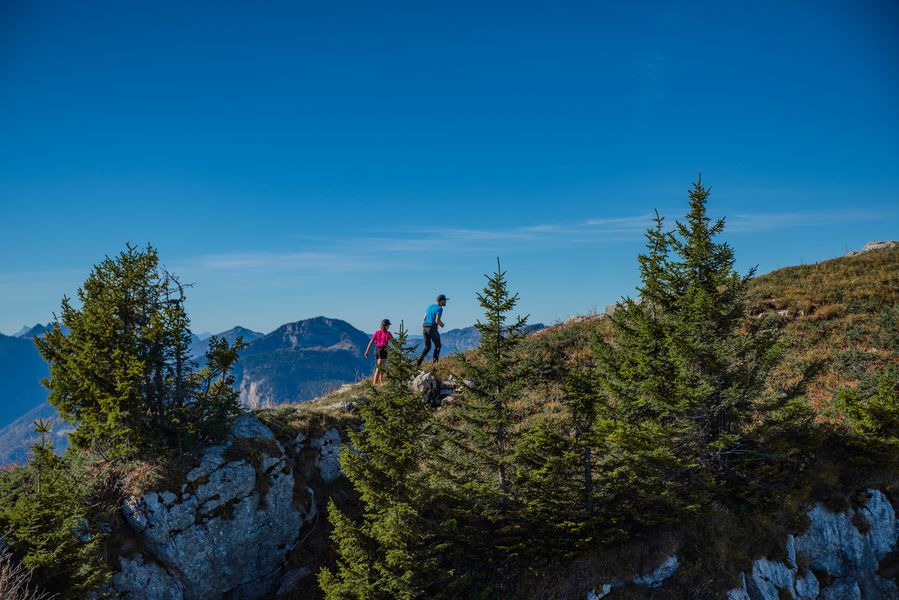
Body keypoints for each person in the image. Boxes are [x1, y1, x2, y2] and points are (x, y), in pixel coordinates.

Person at [416, 294, 447, 367]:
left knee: (427, 347)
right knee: (438, 346)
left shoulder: (430, 306)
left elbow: (424, 318)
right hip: (431, 328)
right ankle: (434, 363)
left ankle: (418, 362)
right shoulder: (440, 308)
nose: (445, 302)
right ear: (441, 301)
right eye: (445, 300)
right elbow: (437, 320)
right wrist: (442, 324)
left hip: (424, 328)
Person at [364, 319, 394, 384]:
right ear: (384, 325)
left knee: (383, 367)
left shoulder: (388, 333)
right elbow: (371, 342)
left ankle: (381, 383)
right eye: (388, 325)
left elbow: (394, 342)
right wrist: (367, 351)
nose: (389, 326)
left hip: (385, 350)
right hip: (379, 350)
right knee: (379, 367)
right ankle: (375, 384)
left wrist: (400, 349)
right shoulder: (378, 332)